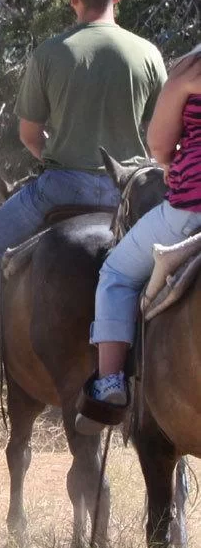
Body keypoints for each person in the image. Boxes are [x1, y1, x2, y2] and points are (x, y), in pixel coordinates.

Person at [0, 0, 166, 394]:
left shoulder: (50, 53)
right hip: (131, 193)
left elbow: (28, 134)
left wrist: (57, 156)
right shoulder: (149, 54)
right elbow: (161, 138)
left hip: (62, 186)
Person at [83, 47, 201, 415]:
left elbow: (160, 143)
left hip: (191, 208)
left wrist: (167, 162)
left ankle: (110, 382)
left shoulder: (191, 68)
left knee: (116, 273)